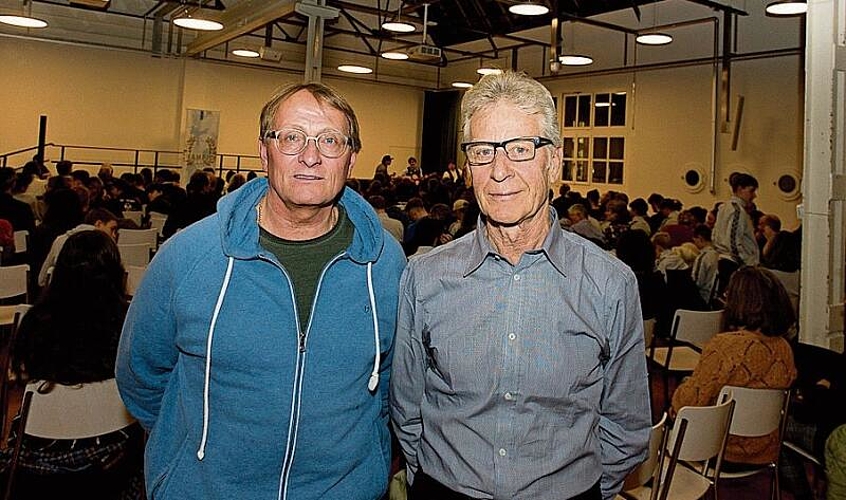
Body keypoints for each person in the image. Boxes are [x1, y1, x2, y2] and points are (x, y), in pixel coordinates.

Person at [116, 82, 406, 500]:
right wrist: (192, 460)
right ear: (264, 150)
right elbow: (141, 375)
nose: (310, 156)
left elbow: (392, 383)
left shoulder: (386, 263)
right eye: (291, 138)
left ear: (351, 158)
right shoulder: (191, 255)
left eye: (330, 140)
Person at [390, 70, 650, 500]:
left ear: (554, 161)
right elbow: (406, 407)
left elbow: (626, 423)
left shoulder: (611, 284)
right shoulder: (424, 276)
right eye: (482, 152)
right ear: (468, 166)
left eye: (520, 149)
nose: (499, 171)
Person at [3, 230, 144, 499]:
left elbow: (21, 374)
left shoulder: (35, 321)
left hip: (35, 460)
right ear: (116, 271)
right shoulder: (128, 322)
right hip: (113, 461)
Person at [671, 266, 797, 465]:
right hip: (765, 447)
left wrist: (681, 390)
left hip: (716, 448)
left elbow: (688, 404)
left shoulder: (725, 346)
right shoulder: (784, 348)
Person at [37, 207, 119, 287]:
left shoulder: (60, 240)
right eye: (112, 229)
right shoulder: (105, 246)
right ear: (99, 224)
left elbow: (42, 280)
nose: (114, 235)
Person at [713, 172, 760, 297]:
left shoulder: (723, 208)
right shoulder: (737, 210)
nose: (754, 195)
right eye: (751, 191)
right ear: (740, 189)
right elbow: (733, 241)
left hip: (725, 260)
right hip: (735, 264)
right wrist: (746, 263)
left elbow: (715, 236)